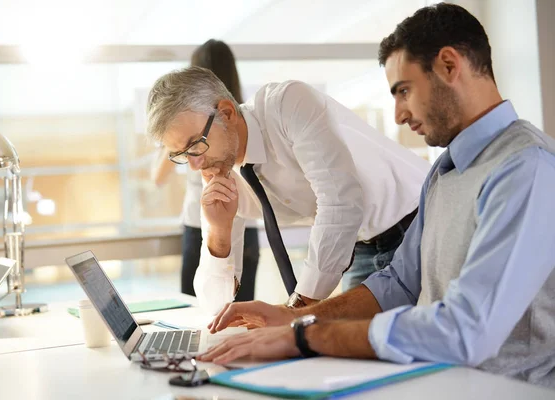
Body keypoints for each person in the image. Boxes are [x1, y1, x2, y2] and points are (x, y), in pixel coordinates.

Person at [197, 3, 555, 388]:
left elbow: (465, 329)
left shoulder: (526, 168)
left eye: (404, 91)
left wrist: (306, 335)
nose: (399, 114)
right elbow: (398, 283)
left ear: (450, 66)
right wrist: (292, 318)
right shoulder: (444, 171)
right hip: (446, 381)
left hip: (511, 388)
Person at [146, 65, 429, 314]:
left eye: (196, 144)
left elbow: (340, 202)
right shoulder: (221, 172)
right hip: (361, 247)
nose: (194, 165)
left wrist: (294, 311)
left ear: (227, 113)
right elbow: (214, 305)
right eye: (181, 155)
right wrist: (219, 233)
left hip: (418, 222)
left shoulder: (288, 104)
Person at [151, 39, 261, 301]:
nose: (193, 158)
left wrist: (180, 140)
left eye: (193, 147)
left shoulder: (190, 123)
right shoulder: (242, 118)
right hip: (249, 224)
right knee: (241, 316)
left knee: (200, 313)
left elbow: (157, 178)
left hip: (201, 225)